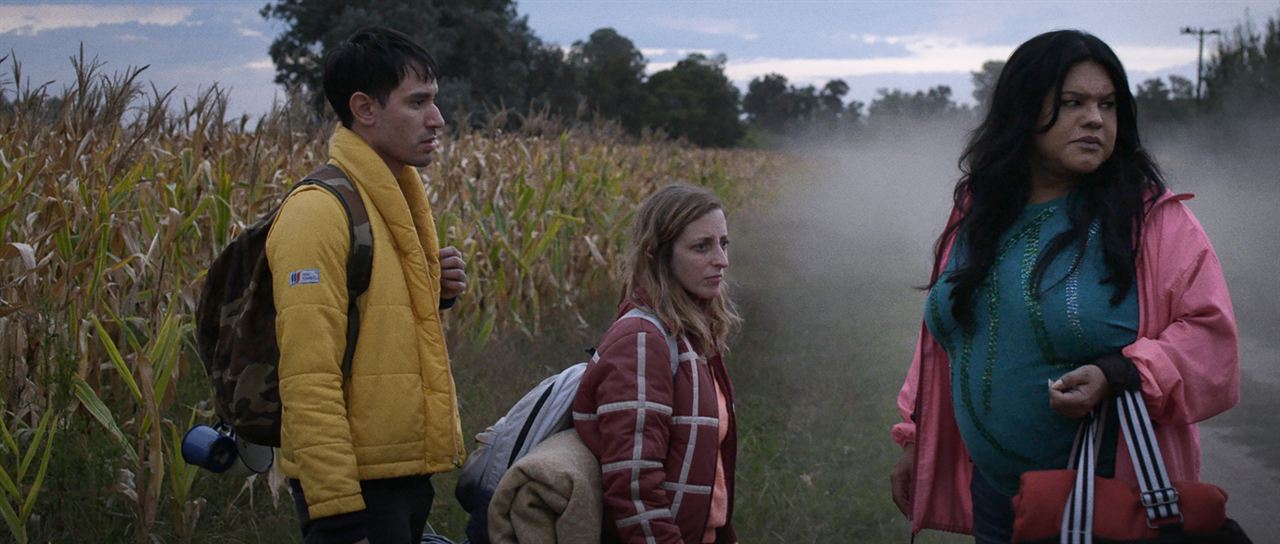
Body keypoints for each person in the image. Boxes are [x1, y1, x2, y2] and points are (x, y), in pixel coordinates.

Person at [889, 30, 1239, 543]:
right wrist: (916, 438)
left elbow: (1214, 344)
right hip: (996, 500)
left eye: (1108, 104)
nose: (1095, 119)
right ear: (1022, 113)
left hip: (1105, 508)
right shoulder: (980, 211)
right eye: (1073, 103)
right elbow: (953, 334)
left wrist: (1119, 372)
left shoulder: (1153, 222)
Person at [267, 26, 469, 544]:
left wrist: (434, 293)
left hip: (401, 477)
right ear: (365, 108)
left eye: (435, 101)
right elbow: (307, 379)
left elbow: (374, 324)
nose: (437, 119)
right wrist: (337, 515)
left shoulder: (389, 199)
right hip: (357, 494)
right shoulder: (317, 213)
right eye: (418, 101)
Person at [572, 184, 742, 544]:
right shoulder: (642, 341)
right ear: (659, 255)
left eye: (723, 243)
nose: (721, 260)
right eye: (702, 246)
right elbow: (634, 489)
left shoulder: (691, 333)